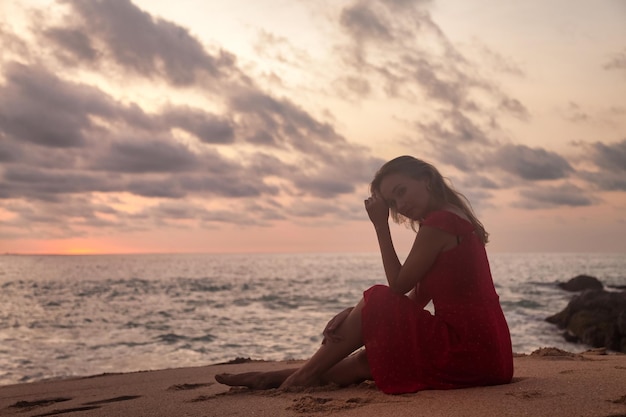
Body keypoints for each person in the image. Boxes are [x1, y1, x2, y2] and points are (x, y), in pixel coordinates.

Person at [215, 155, 514, 394]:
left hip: (469, 349)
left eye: (401, 192)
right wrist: (360, 315)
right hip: (492, 354)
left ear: (426, 180)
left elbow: (396, 288)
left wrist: (380, 226)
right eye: (393, 202)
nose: (401, 206)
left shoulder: (440, 223)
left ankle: (301, 377)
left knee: (378, 296)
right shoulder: (449, 220)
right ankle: (275, 378)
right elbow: (417, 297)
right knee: (368, 361)